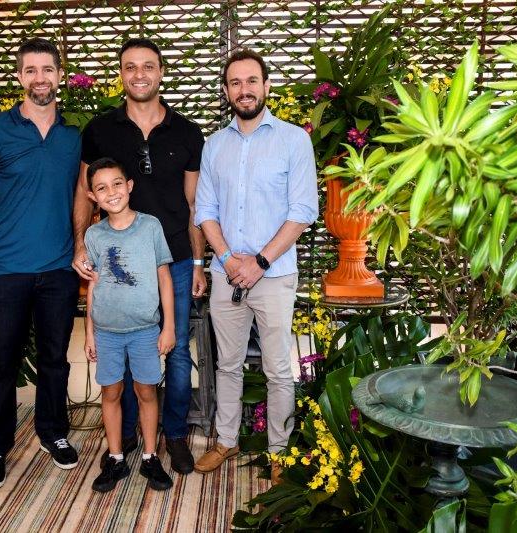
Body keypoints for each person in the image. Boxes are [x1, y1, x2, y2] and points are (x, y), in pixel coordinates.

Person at [73, 38, 206, 474]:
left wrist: (199, 261)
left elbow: (194, 204)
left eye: (148, 66)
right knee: (126, 349)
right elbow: (83, 192)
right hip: (117, 258)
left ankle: (175, 435)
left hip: (175, 259)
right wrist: (80, 244)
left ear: (161, 72)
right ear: (121, 74)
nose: (139, 74)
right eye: (130, 66)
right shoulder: (100, 130)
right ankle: (127, 434)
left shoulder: (187, 133)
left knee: (176, 349)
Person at [192, 49, 318, 480]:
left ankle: (280, 453)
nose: (243, 90)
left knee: (278, 368)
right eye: (235, 83)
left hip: (274, 275)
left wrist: (260, 261)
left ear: (266, 86)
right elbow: (205, 211)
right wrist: (229, 260)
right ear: (227, 91)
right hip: (226, 274)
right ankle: (226, 441)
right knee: (226, 364)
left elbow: (303, 211)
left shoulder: (293, 140)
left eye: (251, 81)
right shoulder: (214, 146)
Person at [0, 37, 82, 490]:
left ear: (60, 75)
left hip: (58, 270)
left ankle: (53, 432)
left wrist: (79, 247)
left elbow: (82, 195)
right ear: (19, 77)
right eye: (30, 70)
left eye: (47, 69)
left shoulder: (73, 136)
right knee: (1, 364)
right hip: (5, 271)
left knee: (55, 360)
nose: (40, 78)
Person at [83, 157, 175, 493]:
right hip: (106, 332)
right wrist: (89, 332)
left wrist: (169, 326)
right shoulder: (94, 235)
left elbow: (164, 278)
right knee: (111, 392)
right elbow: (93, 285)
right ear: (92, 196)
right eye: (102, 188)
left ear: (130, 185)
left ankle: (150, 456)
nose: (111, 192)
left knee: (146, 391)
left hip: (145, 330)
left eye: (117, 184)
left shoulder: (150, 227)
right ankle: (116, 457)